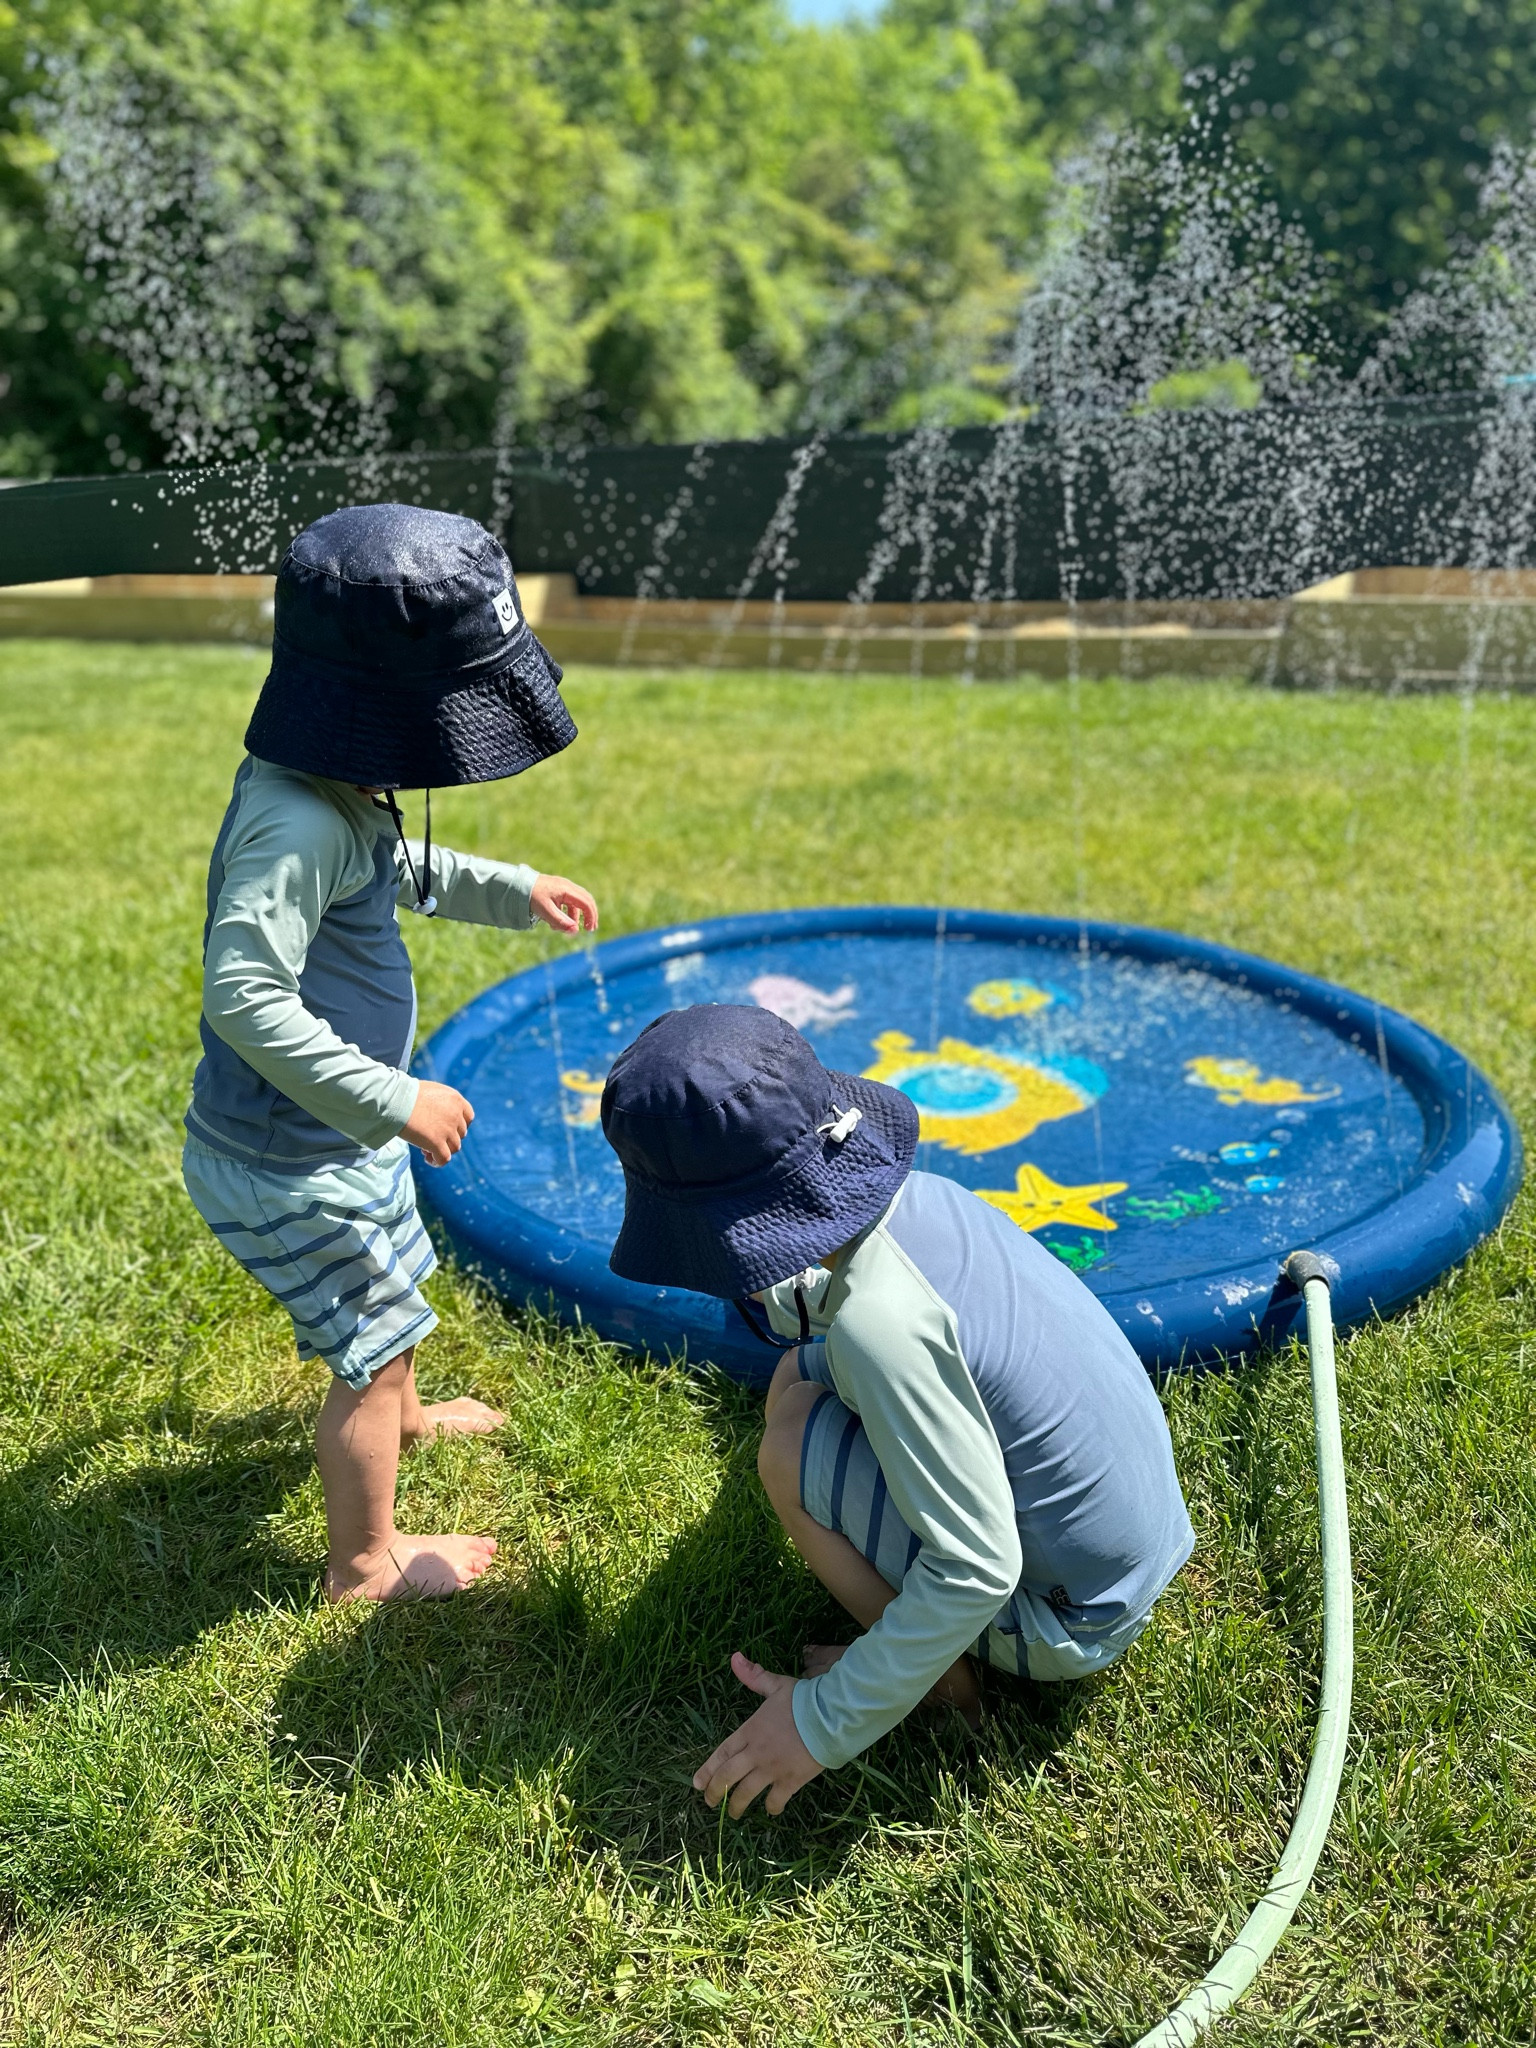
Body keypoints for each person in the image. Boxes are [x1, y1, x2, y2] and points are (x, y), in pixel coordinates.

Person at [600, 1003, 1194, 1816]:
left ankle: (943, 1685)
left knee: (786, 1450)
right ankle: (923, 1652)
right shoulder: (925, 1201)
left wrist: (821, 1722)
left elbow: (979, 1568)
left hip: (1074, 1619)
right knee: (795, 1383)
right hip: (1142, 1542)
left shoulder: (883, 1328)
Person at [183, 502, 598, 1602]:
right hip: (288, 1155)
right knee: (364, 1346)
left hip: (341, 1132)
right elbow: (241, 993)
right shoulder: (298, 823)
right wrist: (392, 1094)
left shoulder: (339, 786)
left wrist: (516, 889)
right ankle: (362, 1563)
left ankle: (407, 1412)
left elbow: (407, 866)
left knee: (393, 1285)